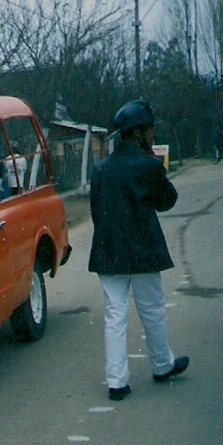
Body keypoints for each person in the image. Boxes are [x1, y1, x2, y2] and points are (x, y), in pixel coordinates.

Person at [88, 100, 189, 401]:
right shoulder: (148, 165)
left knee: (114, 315)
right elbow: (168, 200)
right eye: (149, 129)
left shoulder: (101, 169)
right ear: (137, 134)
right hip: (143, 250)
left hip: (109, 252)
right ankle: (161, 366)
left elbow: (96, 211)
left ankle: (117, 382)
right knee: (152, 309)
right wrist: (151, 162)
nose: (153, 134)